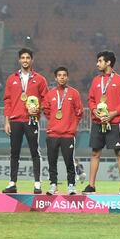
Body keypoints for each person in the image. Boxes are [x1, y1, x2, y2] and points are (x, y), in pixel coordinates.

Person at [84, 51, 120, 194]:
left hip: (115, 123)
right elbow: (91, 99)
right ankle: (91, 185)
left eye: (100, 61)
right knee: (95, 153)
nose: (97, 64)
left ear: (108, 62)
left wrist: (114, 113)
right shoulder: (96, 80)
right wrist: (94, 111)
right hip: (98, 122)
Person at [2, 48, 48, 194]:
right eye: (23, 57)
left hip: (31, 119)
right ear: (19, 60)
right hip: (15, 120)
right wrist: (7, 121)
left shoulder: (40, 79)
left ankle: (37, 184)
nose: (25, 60)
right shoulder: (12, 79)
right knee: (14, 152)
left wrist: (38, 109)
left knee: (35, 151)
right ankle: (12, 183)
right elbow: (7, 101)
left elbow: (46, 100)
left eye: (28, 57)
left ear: (32, 60)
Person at [42, 67, 83, 196]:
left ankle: (71, 185)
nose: (62, 77)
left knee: (69, 161)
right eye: (59, 75)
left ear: (67, 77)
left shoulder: (74, 93)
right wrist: (55, 122)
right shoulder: (50, 94)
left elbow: (79, 112)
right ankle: (53, 184)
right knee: (52, 161)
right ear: (55, 78)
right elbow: (47, 111)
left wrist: (72, 127)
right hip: (52, 133)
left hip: (67, 134)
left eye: (64, 75)